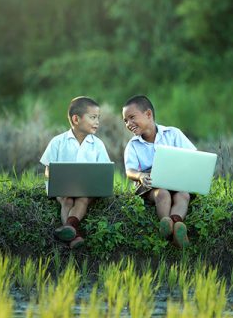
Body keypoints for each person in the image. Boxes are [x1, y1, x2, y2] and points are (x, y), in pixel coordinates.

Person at [122, 95, 196, 248]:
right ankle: (167, 225)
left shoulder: (173, 134)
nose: (128, 123)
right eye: (125, 121)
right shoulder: (133, 145)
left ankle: (176, 224)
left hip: (175, 179)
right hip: (149, 184)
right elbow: (129, 170)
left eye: (131, 117)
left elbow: (193, 155)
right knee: (162, 193)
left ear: (148, 114)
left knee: (183, 195)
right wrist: (140, 176)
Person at [40, 96, 111, 249]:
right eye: (92, 118)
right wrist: (54, 178)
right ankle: (75, 235)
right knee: (66, 200)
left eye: (98, 118)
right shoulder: (57, 142)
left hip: (87, 189)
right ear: (76, 119)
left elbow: (104, 170)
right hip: (63, 188)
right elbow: (48, 169)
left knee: (82, 199)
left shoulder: (97, 144)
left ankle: (70, 229)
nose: (97, 122)